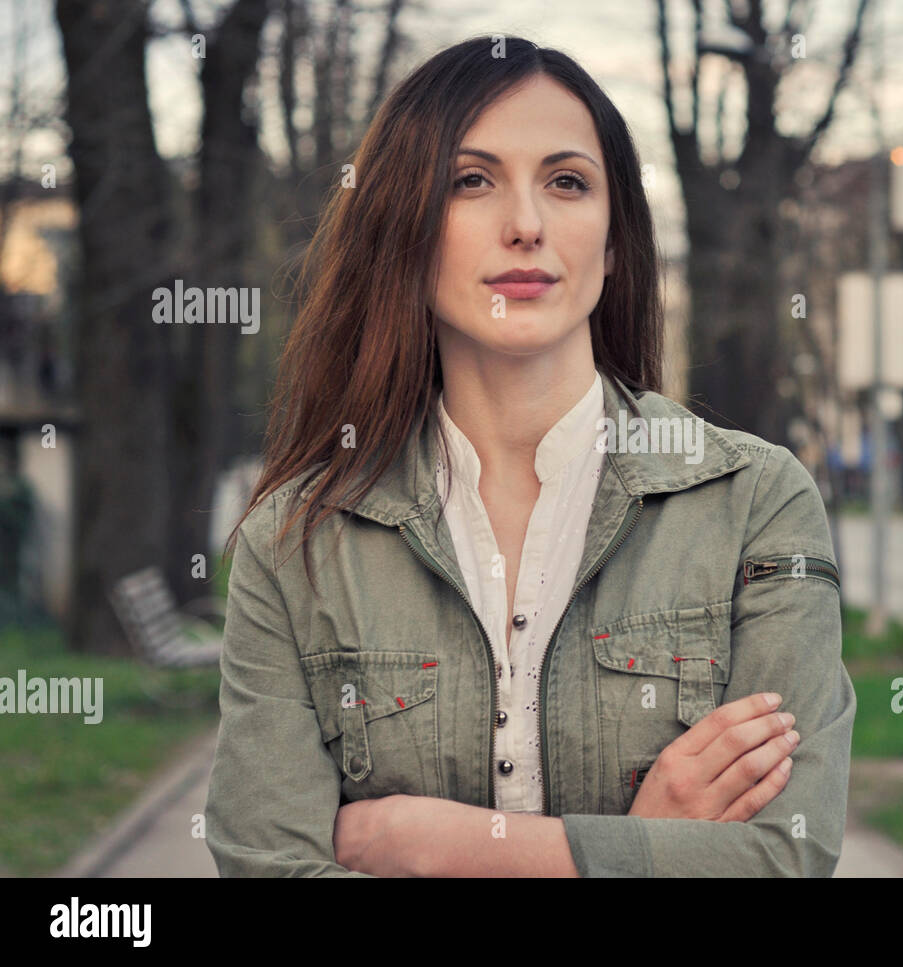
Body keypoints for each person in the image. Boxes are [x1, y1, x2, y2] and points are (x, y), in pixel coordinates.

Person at [204, 34, 856, 877]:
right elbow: (269, 868)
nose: (526, 225)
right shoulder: (295, 540)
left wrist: (433, 846)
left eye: (568, 182)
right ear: (404, 225)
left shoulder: (754, 502)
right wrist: (634, 848)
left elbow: (783, 854)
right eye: (471, 181)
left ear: (615, 242)